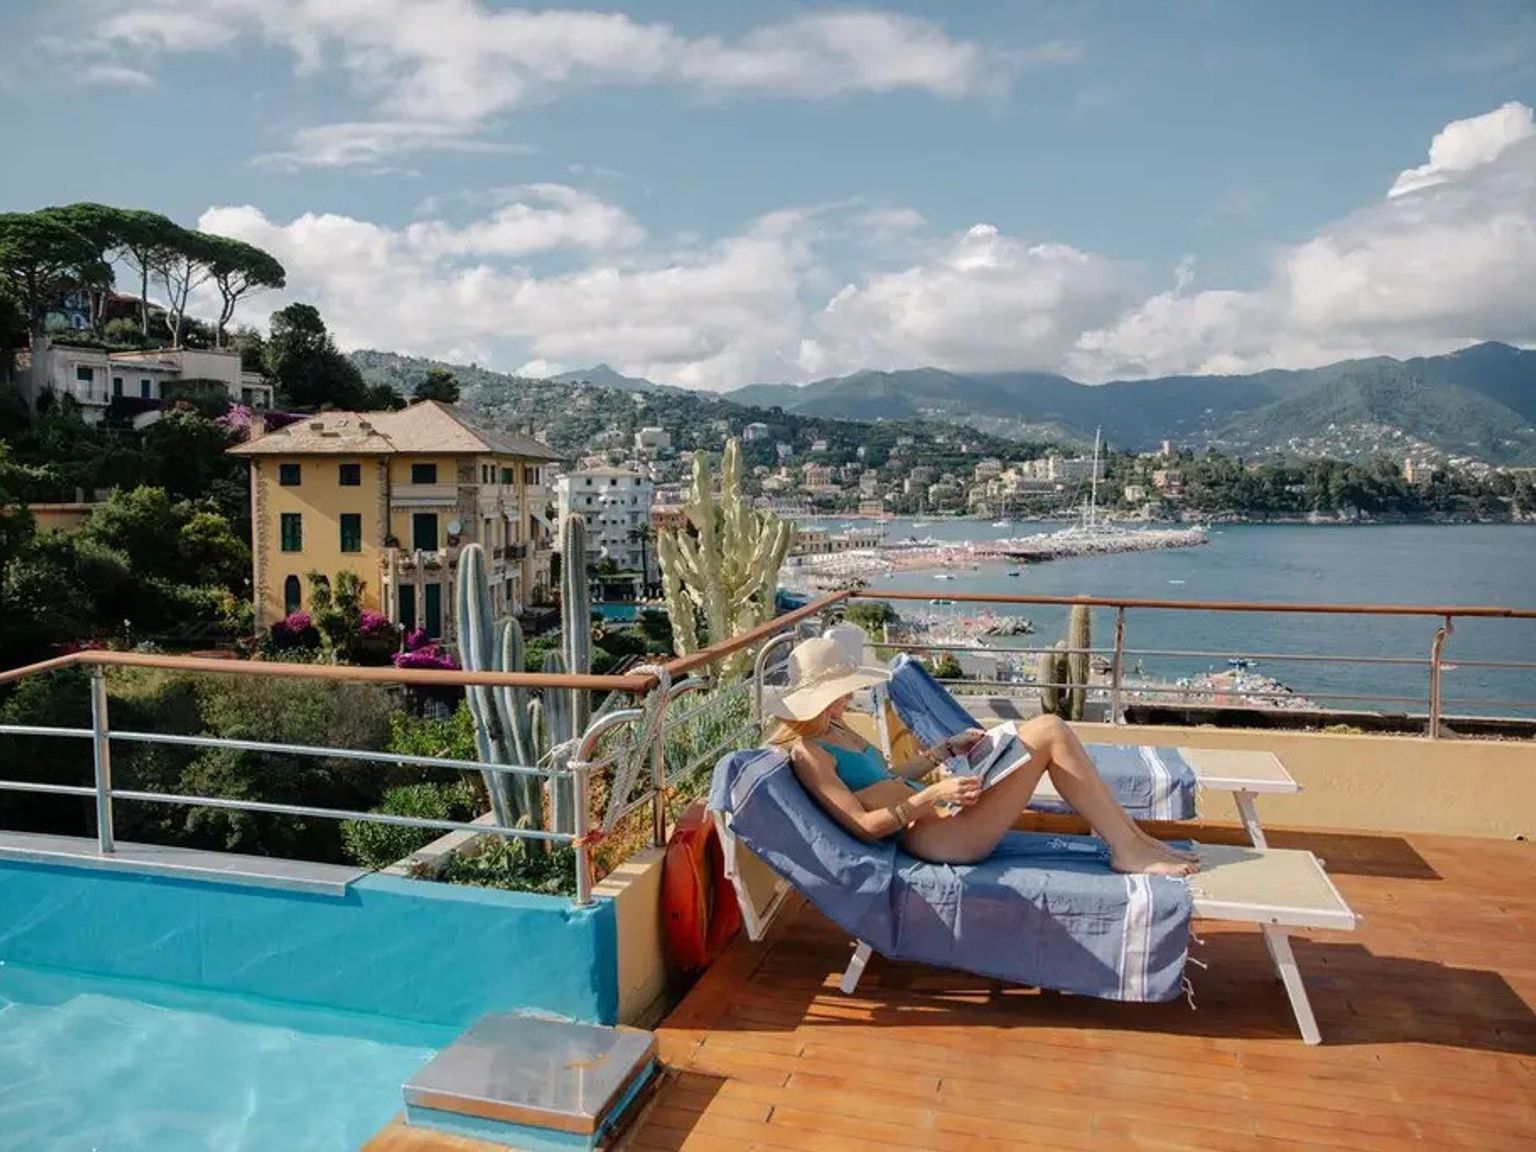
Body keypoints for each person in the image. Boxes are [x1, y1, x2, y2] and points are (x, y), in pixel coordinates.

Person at [767, 637, 1198, 877]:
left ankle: (1135, 841)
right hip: (936, 839)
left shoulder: (834, 727)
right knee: (1049, 730)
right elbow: (862, 825)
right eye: (841, 691)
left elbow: (884, 780)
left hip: (944, 814)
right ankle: (1127, 849)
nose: (849, 696)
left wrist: (942, 753)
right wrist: (930, 797)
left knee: (1047, 729)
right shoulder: (809, 753)